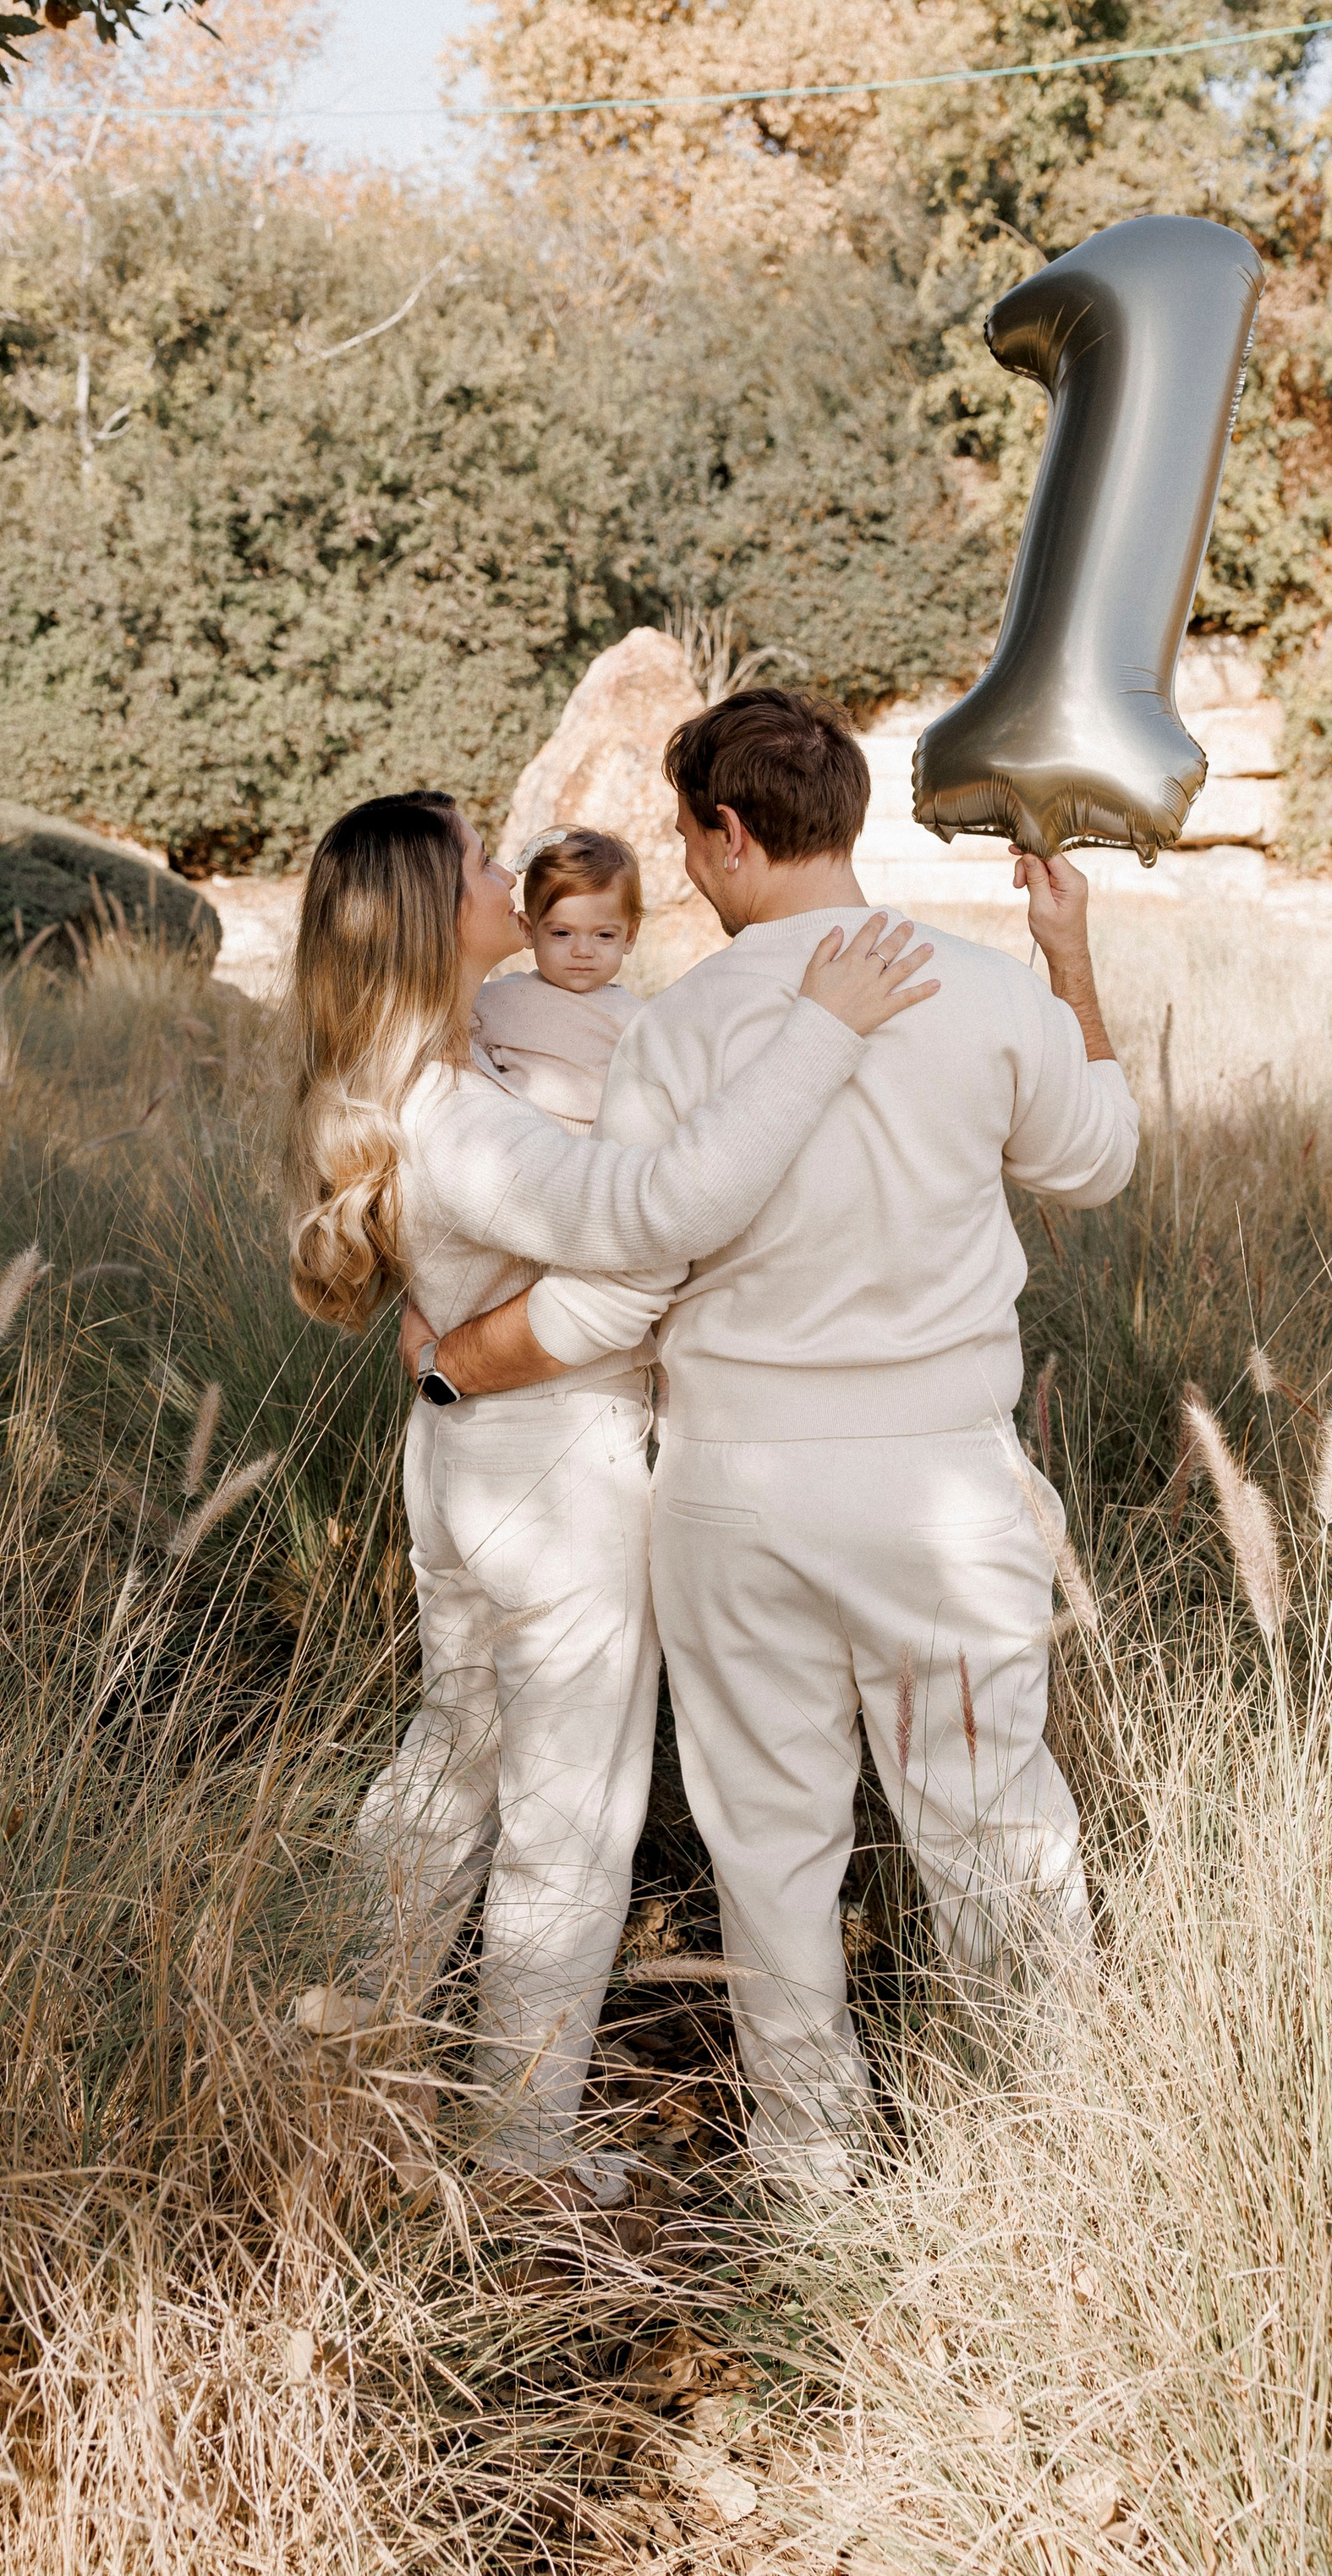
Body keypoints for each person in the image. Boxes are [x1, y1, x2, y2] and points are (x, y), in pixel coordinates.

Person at [398, 691, 1138, 2192]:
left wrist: (458, 1365)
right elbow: (1099, 1161)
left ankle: (809, 2171)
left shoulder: (680, 1029)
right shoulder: (991, 997)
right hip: (939, 1478)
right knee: (995, 1829)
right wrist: (1069, 962)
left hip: (733, 1490)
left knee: (771, 1848)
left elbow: (619, 1288)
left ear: (728, 834)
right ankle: (1062, 2153)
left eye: (689, 841)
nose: (687, 871)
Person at [285, 787, 935, 2204]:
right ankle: (518, 2148)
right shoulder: (460, 1117)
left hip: (461, 1465)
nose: (503, 876)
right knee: (571, 1816)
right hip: (555, 1476)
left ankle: (344, 2044)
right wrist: (823, 1027)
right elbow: (659, 1217)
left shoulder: (444, 1074)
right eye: (474, 862)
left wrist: (459, 1344)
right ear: (430, 915)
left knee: (450, 1762)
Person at [471, 825, 645, 1137]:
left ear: (629, 935)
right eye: (562, 933)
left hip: (603, 1156)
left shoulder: (639, 1020)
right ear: (528, 929)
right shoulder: (496, 1001)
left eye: (604, 935)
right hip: (516, 1144)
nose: (582, 951)